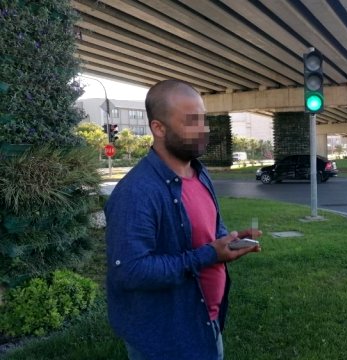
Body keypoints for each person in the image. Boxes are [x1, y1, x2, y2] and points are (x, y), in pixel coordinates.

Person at [105, 79, 260, 360]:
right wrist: (208, 256)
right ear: (158, 128)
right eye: (191, 121)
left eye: (203, 119)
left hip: (205, 320)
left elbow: (210, 228)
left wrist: (228, 243)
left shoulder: (199, 173)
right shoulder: (137, 192)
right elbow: (130, 271)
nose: (202, 129)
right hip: (167, 337)